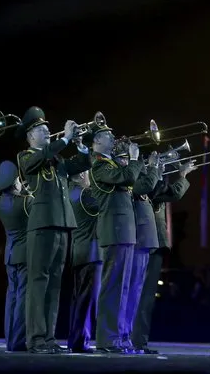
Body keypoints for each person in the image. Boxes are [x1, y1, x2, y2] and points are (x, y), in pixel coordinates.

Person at [15, 106, 91, 354]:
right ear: (30, 135)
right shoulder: (26, 156)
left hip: (62, 222)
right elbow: (41, 158)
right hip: (42, 224)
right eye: (41, 129)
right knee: (38, 282)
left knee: (55, 284)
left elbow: (78, 165)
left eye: (48, 128)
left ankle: (47, 338)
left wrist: (80, 146)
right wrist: (65, 139)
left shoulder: (56, 158)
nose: (47, 131)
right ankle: (35, 339)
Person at [131, 160, 196, 354]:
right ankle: (133, 340)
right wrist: (170, 173)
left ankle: (139, 341)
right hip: (145, 243)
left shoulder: (152, 181)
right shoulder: (144, 182)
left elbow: (171, 192)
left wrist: (180, 176)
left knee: (147, 297)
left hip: (155, 243)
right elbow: (163, 190)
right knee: (139, 295)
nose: (160, 166)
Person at [89, 126, 143, 353]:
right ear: (96, 142)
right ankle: (106, 339)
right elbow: (128, 176)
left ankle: (118, 337)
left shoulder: (111, 165)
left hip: (125, 231)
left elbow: (129, 178)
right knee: (112, 287)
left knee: (122, 288)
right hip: (114, 230)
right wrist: (133, 159)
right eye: (108, 136)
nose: (113, 138)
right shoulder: (100, 166)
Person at [119, 152, 159, 351]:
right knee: (130, 292)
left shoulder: (135, 174)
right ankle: (123, 337)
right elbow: (144, 186)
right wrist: (150, 167)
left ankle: (128, 337)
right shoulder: (129, 176)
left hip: (143, 241)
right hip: (137, 239)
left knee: (135, 292)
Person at [0, 160, 32, 352]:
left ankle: (10, 339)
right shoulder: (25, 201)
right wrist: (29, 192)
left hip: (9, 254)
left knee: (12, 297)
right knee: (22, 299)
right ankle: (17, 341)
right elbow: (33, 207)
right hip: (24, 255)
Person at [67, 170, 101, 354]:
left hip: (79, 250)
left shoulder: (70, 191)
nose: (91, 178)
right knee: (87, 300)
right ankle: (81, 340)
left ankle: (76, 338)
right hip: (91, 252)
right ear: (81, 176)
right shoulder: (85, 193)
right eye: (88, 174)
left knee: (79, 299)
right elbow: (104, 204)